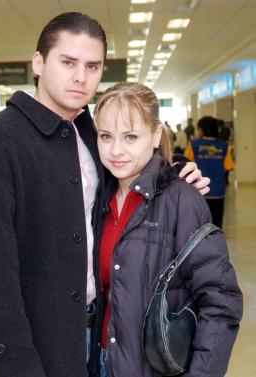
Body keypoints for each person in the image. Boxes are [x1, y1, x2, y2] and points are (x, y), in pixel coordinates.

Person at [0, 12, 209, 377]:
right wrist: (16, 364)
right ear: (39, 62)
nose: (80, 77)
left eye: (93, 65)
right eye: (67, 62)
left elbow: (129, 165)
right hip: (29, 350)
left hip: (95, 341)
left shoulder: (90, 132)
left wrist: (175, 170)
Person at [93, 82, 242, 377]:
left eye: (131, 136)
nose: (116, 150)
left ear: (156, 134)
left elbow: (220, 301)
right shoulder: (97, 198)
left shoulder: (182, 200)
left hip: (153, 367)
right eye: (106, 136)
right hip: (99, 361)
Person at [185, 116, 234, 228]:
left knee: (199, 225)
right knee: (216, 224)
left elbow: (186, 165)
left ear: (201, 130)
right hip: (218, 191)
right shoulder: (224, 145)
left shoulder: (193, 144)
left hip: (198, 191)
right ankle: (216, 243)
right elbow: (228, 166)